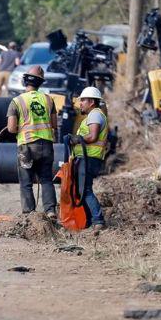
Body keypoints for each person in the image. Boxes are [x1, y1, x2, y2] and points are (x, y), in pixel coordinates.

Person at [6, 64, 57, 218]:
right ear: (41, 82)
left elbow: (11, 128)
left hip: (27, 147)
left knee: (26, 181)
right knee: (46, 180)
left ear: (25, 80)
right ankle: (50, 211)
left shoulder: (16, 101)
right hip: (47, 146)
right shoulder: (49, 100)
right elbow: (54, 124)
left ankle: (30, 214)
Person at [71, 85, 108, 232]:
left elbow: (92, 136)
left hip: (89, 159)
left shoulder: (95, 114)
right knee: (82, 190)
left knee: (85, 190)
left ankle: (98, 220)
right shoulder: (92, 116)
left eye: (83, 100)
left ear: (91, 102)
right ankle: (88, 220)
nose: (80, 103)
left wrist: (76, 139)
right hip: (87, 158)